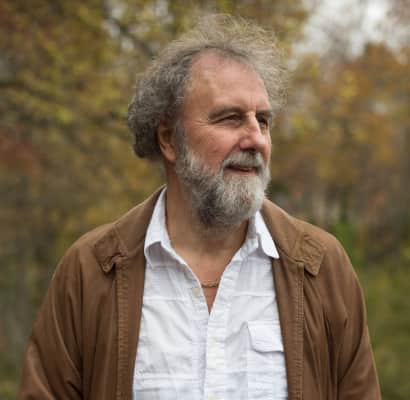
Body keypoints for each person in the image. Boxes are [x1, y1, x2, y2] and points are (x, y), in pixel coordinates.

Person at [19, 14, 381, 400]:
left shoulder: (321, 268)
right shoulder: (91, 270)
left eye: (263, 121)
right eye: (230, 119)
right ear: (169, 139)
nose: (256, 140)